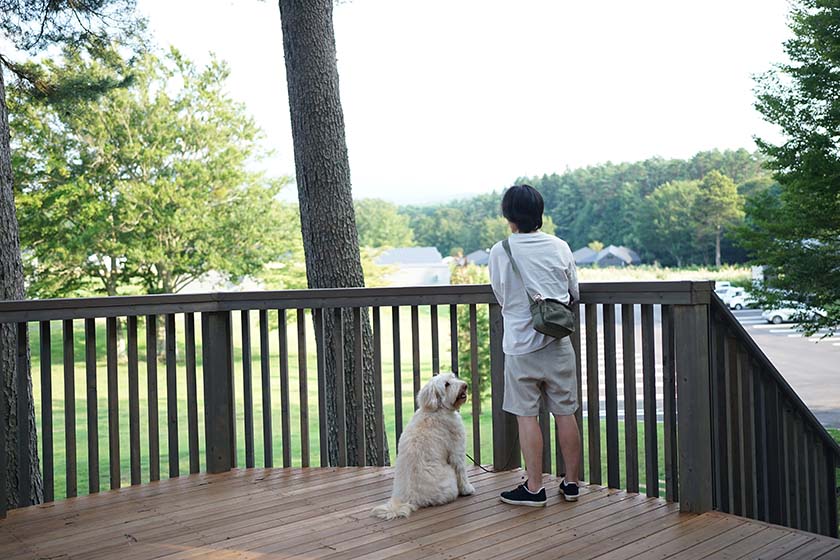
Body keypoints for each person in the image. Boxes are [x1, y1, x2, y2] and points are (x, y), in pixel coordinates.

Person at [488, 184, 581, 507]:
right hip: (557, 342)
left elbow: (501, 295)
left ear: (508, 215)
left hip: (520, 346)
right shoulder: (559, 246)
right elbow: (573, 292)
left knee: (527, 416)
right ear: (539, 213)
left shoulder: (501, 251)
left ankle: (534, 487)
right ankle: (570, 484)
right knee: (564, 412)